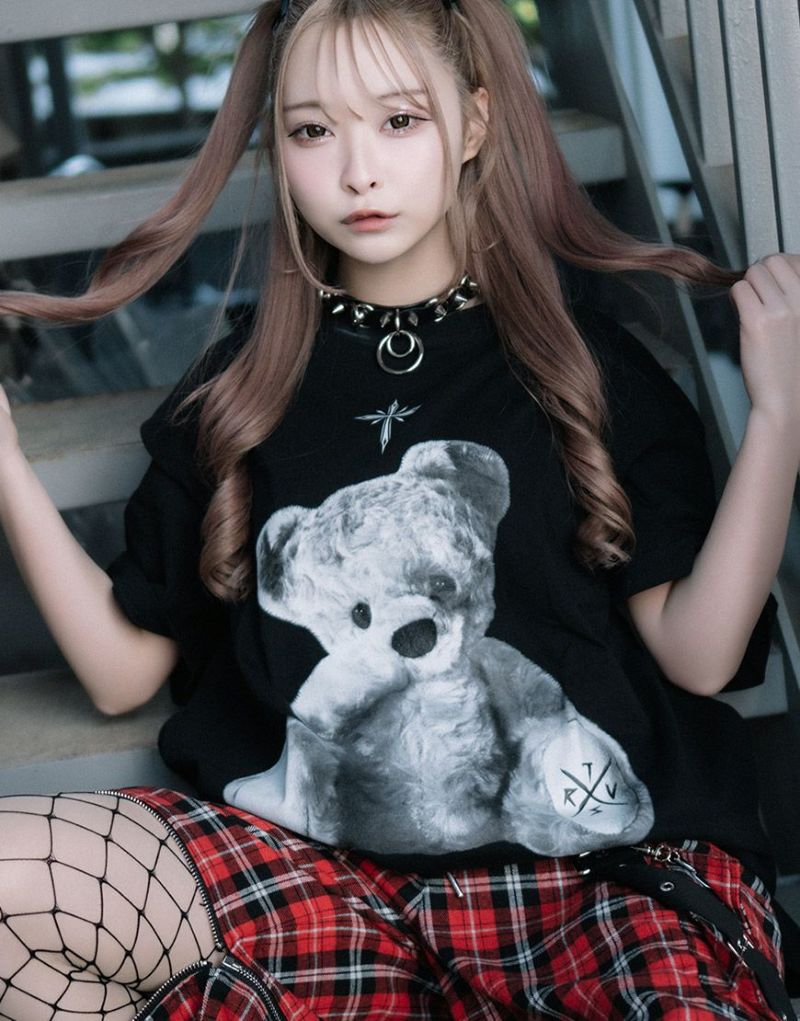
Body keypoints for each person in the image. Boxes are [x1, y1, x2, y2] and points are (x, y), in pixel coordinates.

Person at [0, 0, 798, 1016]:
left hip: (589, 876)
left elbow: (700, 655)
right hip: (323, 881)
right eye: (312, 130)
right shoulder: (236, 396)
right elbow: (122, 675)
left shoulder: (585, 371)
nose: (358, 172)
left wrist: (777, 417)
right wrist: (6, 460)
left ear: (472, 124)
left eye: (399, 120)